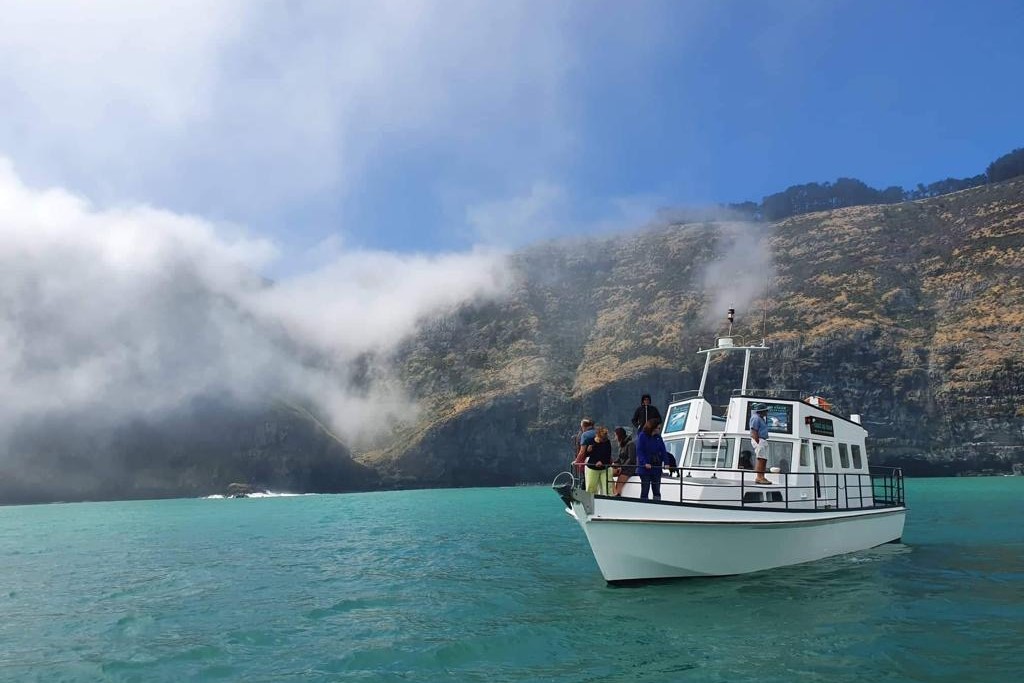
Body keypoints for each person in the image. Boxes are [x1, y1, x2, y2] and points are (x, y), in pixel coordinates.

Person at [636, 418, 669, 501]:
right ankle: (644, 504)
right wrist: (645, 463)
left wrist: (666, 462)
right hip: (645, 469)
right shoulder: (642, 436)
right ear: (653, 428)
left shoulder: (658, 437)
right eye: (658, 428)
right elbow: (640, 451)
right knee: (645, 489)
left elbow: (663, 450)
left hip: (656, 467)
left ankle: (657, 504)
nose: (659, 430)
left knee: (656, 490)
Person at [584, 426, 612, 494]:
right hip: (592, 467)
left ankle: (607, 498)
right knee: (591, 488)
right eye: (602, 438)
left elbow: (608, 455)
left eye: (604, 438)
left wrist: (602, 462)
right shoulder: (591, 441)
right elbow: (586, 455)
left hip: (604, 468)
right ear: (597, 435)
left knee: (607, 488)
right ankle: (591, 499)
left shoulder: (607, 442)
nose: (603, 440)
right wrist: (588, 451)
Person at [749, 403, 772, 484]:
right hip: (759, 439)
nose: (767, 412)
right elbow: (754, 431)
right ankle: (759, 477)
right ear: (762, 411)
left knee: (764, 459)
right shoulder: (756, 418)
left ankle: (762, 476)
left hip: (763, 440)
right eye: (766, 411)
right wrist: (758, 441)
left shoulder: (761, 418)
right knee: (761, 458)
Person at [611, 427, 636, 496]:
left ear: (619, 435)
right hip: (622, 466)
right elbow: (620, 458)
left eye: (615, 435)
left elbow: (631, 459)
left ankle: (618, 493)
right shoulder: (622, 444)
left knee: (620, 481)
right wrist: (614, 463)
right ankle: (613, 491)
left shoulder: (630, 444)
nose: (615, 438)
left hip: (629, 468)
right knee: (608, 473)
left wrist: (622, 467)